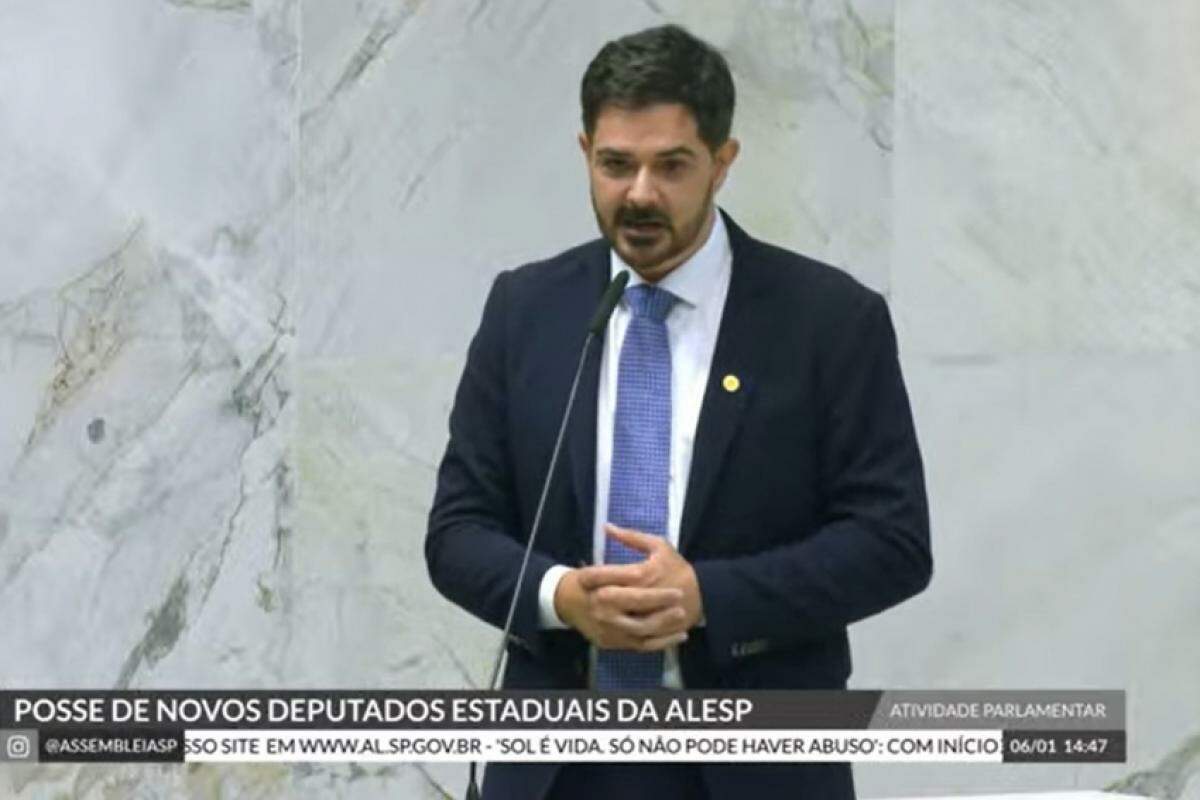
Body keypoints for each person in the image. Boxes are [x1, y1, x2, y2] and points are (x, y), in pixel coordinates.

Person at [426, 23, 931, 800]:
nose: (639, 194)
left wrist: (707, 597)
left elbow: (892, 543)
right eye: (615, 165)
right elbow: (457, 533)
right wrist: (561, 596)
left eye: (671, 166)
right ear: (584, 151)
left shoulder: (827, 320)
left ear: (723, 163)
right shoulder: (526, 309)